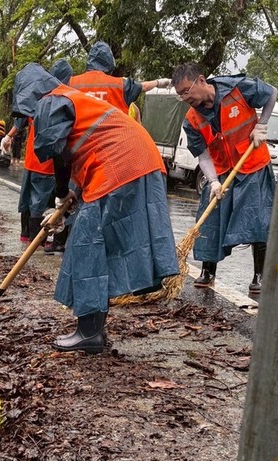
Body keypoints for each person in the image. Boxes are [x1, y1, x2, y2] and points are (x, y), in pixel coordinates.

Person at [11, 63, 179, 354]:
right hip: (140, 162)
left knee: (86, 245)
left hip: (122, 166)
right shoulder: (71, 100)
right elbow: (84, 150)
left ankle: (89, 332)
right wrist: (70, 198)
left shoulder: (53, 101)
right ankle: (93, 329)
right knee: (99, 247)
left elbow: (58, 155)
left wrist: (60, 197)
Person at [171, 62, 277, 294]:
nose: (185, 97)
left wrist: (263, 124)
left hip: (252, 164)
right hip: (220, 170)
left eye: (186, 91)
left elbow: (271, 93)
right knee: (210, 219)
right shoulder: (192, 119)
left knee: (258, 219)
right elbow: (202, 154)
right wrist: (213, 181)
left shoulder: (237, 89)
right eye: (180, 95)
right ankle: (208, 271)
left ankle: (260, 275)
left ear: (201, 80)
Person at [1, 59, 74, 253]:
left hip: (31, 160)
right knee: (39, 203)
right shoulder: (63, 100)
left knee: (28, 200)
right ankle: (36, 241)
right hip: (47, 163)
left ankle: (26, 237)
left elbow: (20, 120)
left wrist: (8, 137)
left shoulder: (38, 96)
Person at [69, 41, 171, 113]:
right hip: (111, 141)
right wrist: (159, 82)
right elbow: (143, 86)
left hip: (79, 142)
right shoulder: (120, 85)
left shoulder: (71, 83)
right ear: (109, 62)